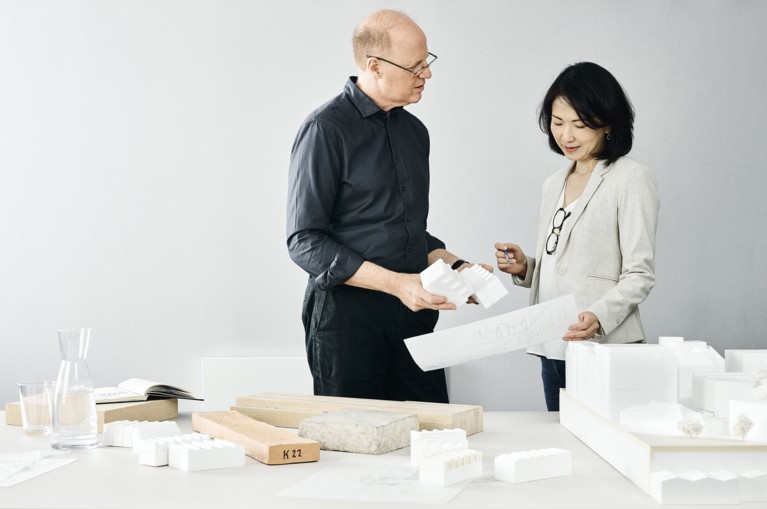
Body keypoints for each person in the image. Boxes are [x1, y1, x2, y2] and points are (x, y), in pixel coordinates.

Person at [287, 9, 480, 403]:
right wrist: (398, 284)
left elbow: (405, 230)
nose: (427, 74)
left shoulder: (415, 132)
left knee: (430, 438)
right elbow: (304, 241)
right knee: (354, 444)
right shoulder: (325, 129)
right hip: (346, 319)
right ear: (374, 66)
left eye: (428, 62)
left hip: (414, 313)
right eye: (415, 66)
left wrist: (457, 267)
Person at [495, 62, 660, 411]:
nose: (566, 136)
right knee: (562, 447)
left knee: (604, 452)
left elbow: (639, 274)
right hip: (551, 345)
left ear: (608, 123)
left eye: (580, 125)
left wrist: (598, 316)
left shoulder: (631, 178)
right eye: (557, 123)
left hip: (603, 347)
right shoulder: (553, 183)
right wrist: (527, 267)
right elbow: (566, 261)